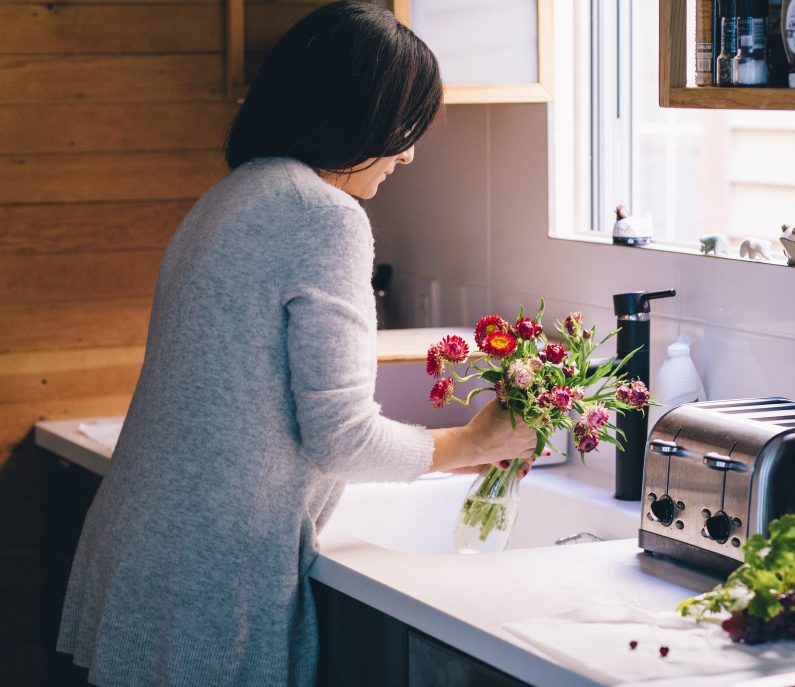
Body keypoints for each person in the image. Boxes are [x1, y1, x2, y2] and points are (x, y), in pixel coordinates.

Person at [56, 3, 537, 685]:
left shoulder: (235, 195)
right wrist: (474, 443)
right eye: (404, 127)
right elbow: (340, 438)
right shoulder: (323, 215)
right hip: (209, 574)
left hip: (145, 553)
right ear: (354, 112)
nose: (407, 153)